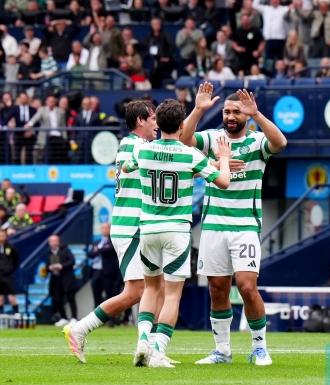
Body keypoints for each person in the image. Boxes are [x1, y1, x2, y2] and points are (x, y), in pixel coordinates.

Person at [179, 85, 286, 367]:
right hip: (214, 225)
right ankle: (222, 351)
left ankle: (259, 348)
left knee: (247, 287)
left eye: (236, 111)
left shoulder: (257, 141)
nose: (230, 116)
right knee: (217, 288)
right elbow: (184, 139)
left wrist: (257, 114)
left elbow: (280, 143)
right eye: (226, 111)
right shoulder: (212, 138)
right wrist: (198, 109)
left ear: (246, 115)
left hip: (245, 225)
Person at [123, 99, 231, 369]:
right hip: (176, 230)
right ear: (182, 125)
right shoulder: (190, 155)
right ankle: (158, 352)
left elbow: (125, 168)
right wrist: (224, 160)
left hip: (148, 227)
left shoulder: (144, 150)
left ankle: (143, 341)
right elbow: (223, 182)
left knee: (151, 288)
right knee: (172, 294)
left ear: (158, 123)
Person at [63, 100, 159, 364]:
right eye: (153, 118)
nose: (157, 124)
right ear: (140, 120)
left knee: (153, 287)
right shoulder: (133, 145)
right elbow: (153, 160)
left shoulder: (138, 145)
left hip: (138, 226)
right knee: (136, 291)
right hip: (130, 227)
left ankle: (152, 348)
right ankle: (80, 329)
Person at [47, 234, 77, 327]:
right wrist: (49, 268)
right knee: (58, 299)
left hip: (67, 278)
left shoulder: (66, 250)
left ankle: (74, 317)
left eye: (55, 241)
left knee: (70, 298)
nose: (53, 243)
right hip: (56, 279)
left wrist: (61, 266)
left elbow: (72, 261)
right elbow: (47, 265)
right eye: (51, 241)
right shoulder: (49, 253)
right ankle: (63, 318)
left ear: (58, 241)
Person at [87, 223, 119, 309]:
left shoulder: (113, 240)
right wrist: (101, 249)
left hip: (108, 272)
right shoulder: (96, 241)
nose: (104, 230)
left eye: (106, 228)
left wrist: (98, 249)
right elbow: (90, 254)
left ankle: (110, 315)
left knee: (110, 294)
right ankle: (96, 313)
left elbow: (109, 250)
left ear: (110, 229)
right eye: (102, 228)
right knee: (96, 293)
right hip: (96, 271)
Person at [0, 229, 20, 314]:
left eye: (3, 235)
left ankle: (16, 313)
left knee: (11, 295)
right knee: (0, 296)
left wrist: (10, 269)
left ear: (6, 236)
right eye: (0, 236)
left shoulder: (10, 247)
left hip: (7, 276)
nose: (1, 237)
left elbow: (16, 259)